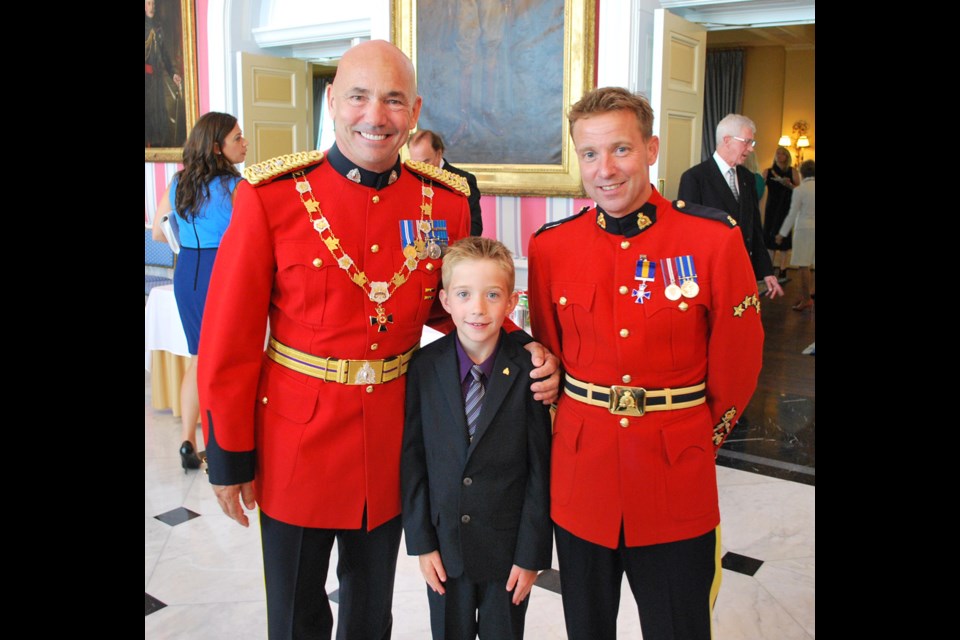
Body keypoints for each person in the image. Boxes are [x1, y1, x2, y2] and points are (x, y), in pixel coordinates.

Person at [196, 40, 559, 640]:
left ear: (413, 110)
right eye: (359, 97)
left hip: (394, 435)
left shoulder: (444, 203)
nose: (376, 115)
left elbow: (458, 308)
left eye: (393, 100)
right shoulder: (272, 197)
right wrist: (230, 456)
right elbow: (230, 338)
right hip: (296, 440)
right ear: (333, 101)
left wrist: (527, 350)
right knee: (293, 613)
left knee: (371, 613)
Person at [527, 87, 764, 640]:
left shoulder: (711, 239)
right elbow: (549, 352)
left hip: (674, 470)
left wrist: (693, 440)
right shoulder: (550, 247)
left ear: (651, 148)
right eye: (589, 154)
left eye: (620, 150)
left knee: (678, 625)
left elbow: (739, 362)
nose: (604, 169)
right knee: (586, 626)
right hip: (582, 476)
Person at [401, 236, 552, 640]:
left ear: (510, 301)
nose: (478, 309)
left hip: (508, 553)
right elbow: (413, 461)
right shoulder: (424, 368)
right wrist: (421, 544)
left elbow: (540, 470)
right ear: (445, 300)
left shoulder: (529, 372)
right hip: (445, 549)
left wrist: (531, 554)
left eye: (491, 295)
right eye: (464, 294)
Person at [152, 111, 247, 471]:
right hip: (222, 271)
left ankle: (187, 442)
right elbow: (250, 238)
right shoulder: (237, 189)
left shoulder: (179, 182)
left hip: (187, 271)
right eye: (237, 138)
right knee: (221, 361)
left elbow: (160, 233)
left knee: (198, 357)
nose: (244, 143)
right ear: (216, 147)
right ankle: (215, 445)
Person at [678, 113, 784, 298]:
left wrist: (766, 270)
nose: (751, 149)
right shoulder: (695, 178)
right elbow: (686, 235)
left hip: (742, 273)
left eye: (752, 143)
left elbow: (754, 229)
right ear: (727, 140)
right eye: (747, 142)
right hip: (709, 277)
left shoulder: (748, 178)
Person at [408, 129, 483, 236]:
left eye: (425, 162)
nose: (420, 168)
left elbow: (474, 229)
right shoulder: (409, 178)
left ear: (438, 154)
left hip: (452, 249)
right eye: (415, 163)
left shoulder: (464, 180)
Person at [777, 159, 815, 311]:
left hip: (804, 229)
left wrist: (782, 233)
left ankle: (806, 299)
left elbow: (792, 214)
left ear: (802, 173)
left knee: (803, 265)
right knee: (812, 263)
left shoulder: (800, 190)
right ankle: (810, 292)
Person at [145, 0, 183, 147]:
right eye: (148, 4)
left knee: (159, 112)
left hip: (156, 79)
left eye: (153, 4)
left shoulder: (158, 27)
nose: (151, 7)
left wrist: (173, 73)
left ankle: (157, 143)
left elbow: (164, 54)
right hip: (146, 79)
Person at [762, 146, 801, 280]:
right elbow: (761, 186)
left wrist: (789, 184)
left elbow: (799, 189)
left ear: (787, 157)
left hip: (785, 207)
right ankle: (770, 267)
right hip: (771, 207)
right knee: (769, 236)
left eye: (783, 154)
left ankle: (783, 268)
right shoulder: (768, 171)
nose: (779, 156)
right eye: (777, 153)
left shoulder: (792, 171)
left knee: (784, 239)